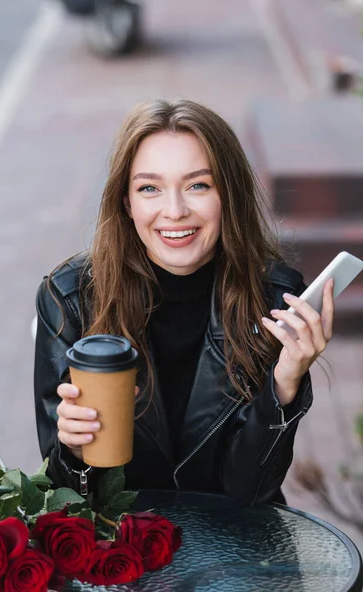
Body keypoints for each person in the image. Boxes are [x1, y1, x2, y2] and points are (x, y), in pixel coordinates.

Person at [34, 99, 334, 507]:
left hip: (235, 549)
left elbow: (250, 492)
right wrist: (72, 452)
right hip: (123, 545)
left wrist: (284, 384)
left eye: (198, 185)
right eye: (149, 188)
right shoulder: (69, 299)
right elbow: (65, 497)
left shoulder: (273, 300)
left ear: (228, 194)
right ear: (127, 202)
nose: (174, 211)